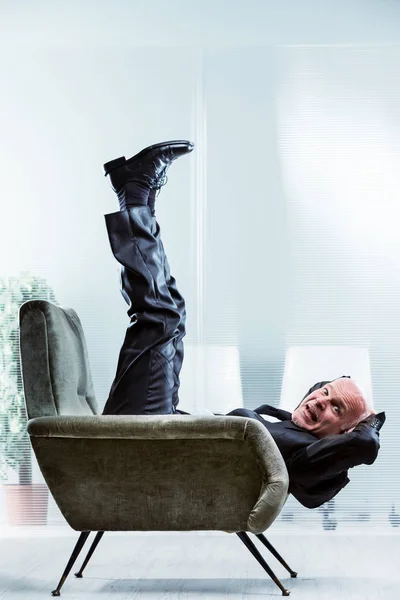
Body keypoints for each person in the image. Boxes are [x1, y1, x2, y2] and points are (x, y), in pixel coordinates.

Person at [101, 140, 386, 509]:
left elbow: (366, 445)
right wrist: (337, 397)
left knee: (163, 318)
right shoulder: (292, 426)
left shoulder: (310, 458)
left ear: (344, 432)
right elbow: (321, 396)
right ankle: (138, 198)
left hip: (149, 449)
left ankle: (136, 193)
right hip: (159, 431)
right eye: (324, 393)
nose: (320, 400)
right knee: (175, 314)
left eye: (336, 409)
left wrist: (366, 421)